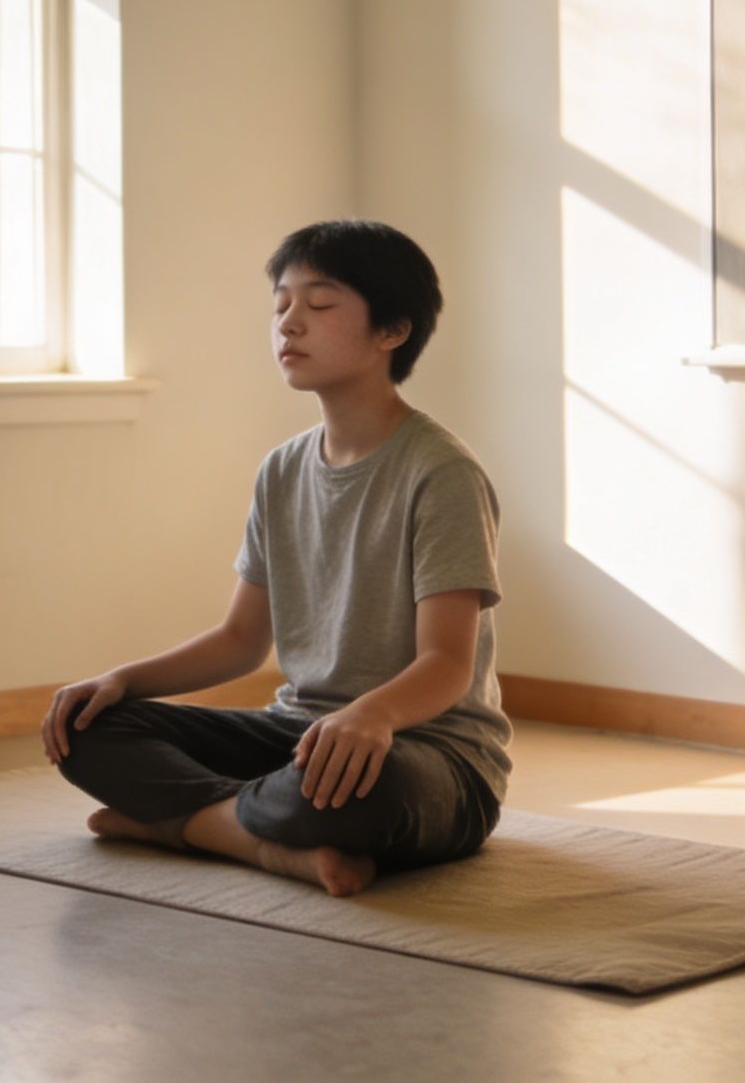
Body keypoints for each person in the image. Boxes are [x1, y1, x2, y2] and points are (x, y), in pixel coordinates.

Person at [44, 219, 508, 898]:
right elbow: (239, 642)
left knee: (358, 791)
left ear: (392, 332)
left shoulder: (441, 473)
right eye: (281, 305)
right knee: (88, 729)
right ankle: (263, 843)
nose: (290, 324)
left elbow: (446, 663)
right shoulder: (283, 470)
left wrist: (372, 716)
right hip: (295, 737)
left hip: (427, 755)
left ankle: (179, 823)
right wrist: (121, 679)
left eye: (319, 306)